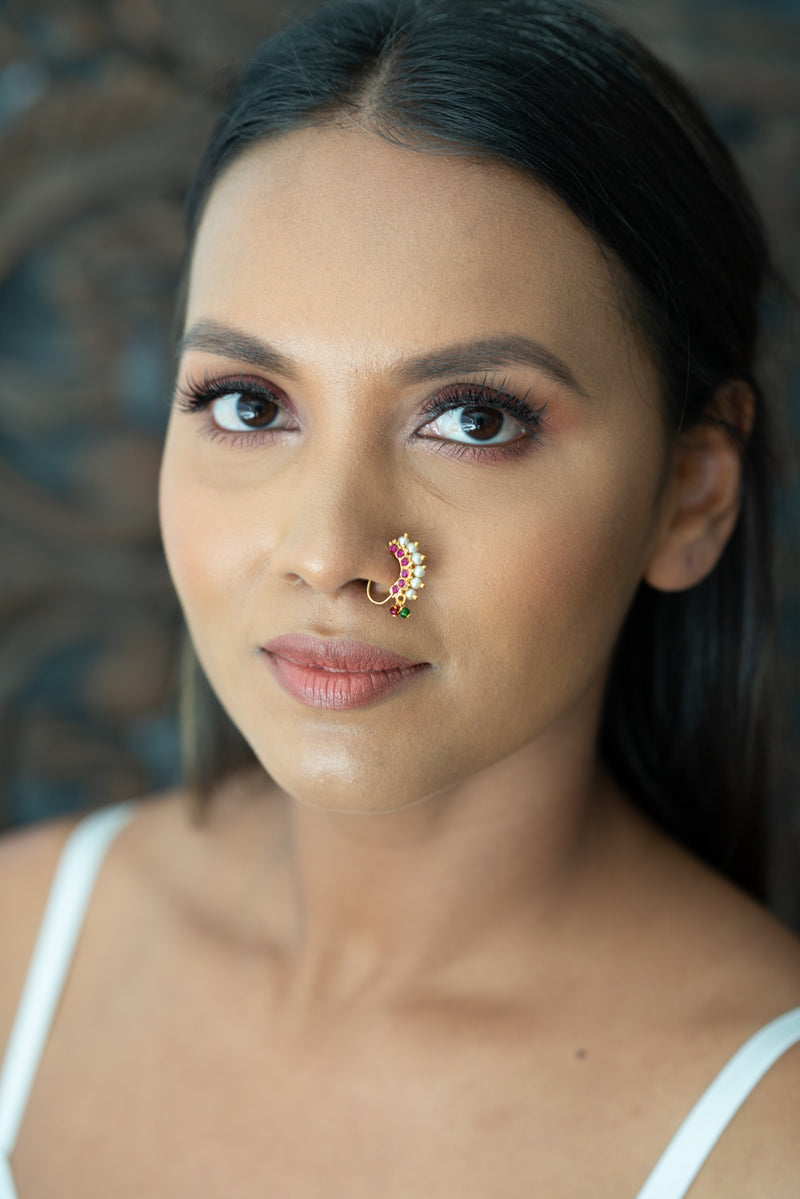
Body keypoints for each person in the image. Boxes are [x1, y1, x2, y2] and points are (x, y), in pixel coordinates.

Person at [1, 0, 799, 1193]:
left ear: (689, 495)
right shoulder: (15, 947)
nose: (330, 556)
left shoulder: (764, 1137)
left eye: (473, 419)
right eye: (248, 403)